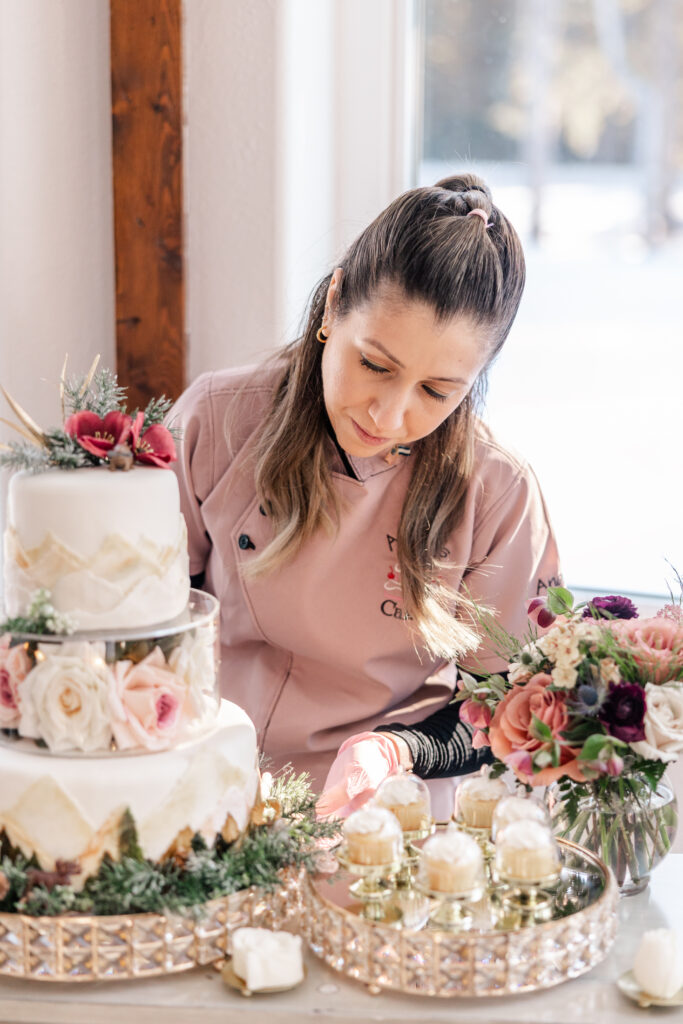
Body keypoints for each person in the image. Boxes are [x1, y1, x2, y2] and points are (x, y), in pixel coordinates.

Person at [170, 173, 561, 819]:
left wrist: (397, 752)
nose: (388, 412)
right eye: (374, 364)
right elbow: (148, 617)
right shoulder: (218, 419)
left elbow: (506, 708)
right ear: (332, 305)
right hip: (203, 770)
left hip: (380, 808)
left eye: (437, 391)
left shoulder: (497, 494)